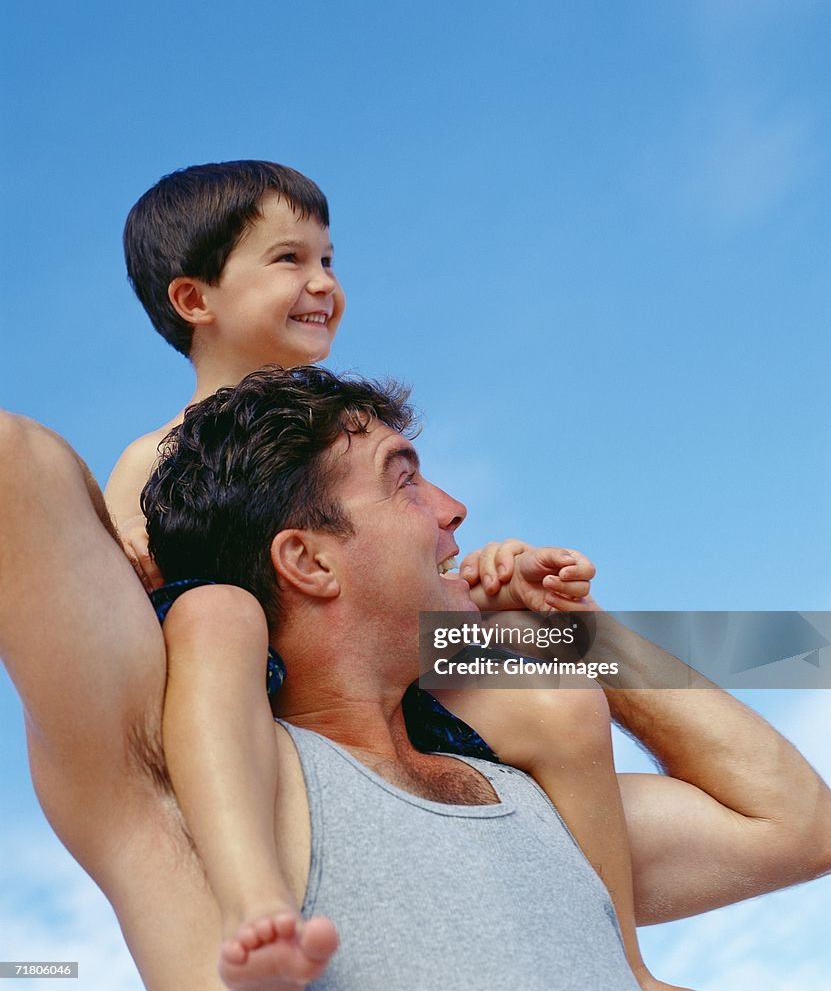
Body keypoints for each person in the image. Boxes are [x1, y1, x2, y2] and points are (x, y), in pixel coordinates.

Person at [0, 373, 829, 990]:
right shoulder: (191, 790)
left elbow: (798, 824)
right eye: (405, 479)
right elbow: (16, 464)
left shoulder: (534, 794)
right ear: (309, 560)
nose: (453, 508)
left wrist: (573, 633)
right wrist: (135, 551)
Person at [104, 161, 670, 990]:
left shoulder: (340, 430)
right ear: (195, 301)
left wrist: (488, 582)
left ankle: (624, 962)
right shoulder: (153, 458)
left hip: (392, 680)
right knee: (216, 613)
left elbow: (390, 581)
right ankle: (252, 894)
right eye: (288, 260)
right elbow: (133, 596)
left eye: (328, 261)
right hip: (256, 689)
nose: (321, 283)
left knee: (560, 691)